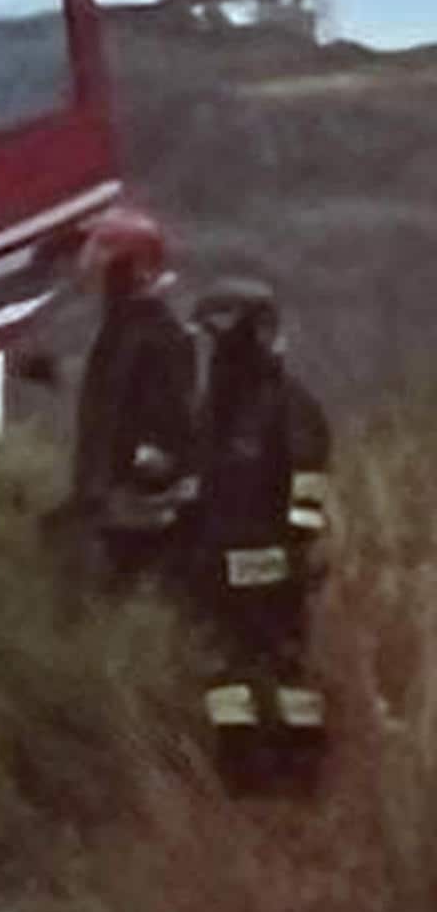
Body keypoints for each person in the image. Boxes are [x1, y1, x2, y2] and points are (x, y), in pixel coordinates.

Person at [186, 278, 332, 787]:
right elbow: (200, 476)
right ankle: (240, 767)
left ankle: (300, 767)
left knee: (283, 660)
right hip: (220, 555)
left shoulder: (285, 404)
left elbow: (309, 476)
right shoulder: (216, 406)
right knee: (227, 665)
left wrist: (294, 546)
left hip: (271, 557)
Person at [66, 206, 197, 577]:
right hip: (118, 504)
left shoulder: (153, 335)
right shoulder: (127, 330)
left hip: (138, 515)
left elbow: (165, 423)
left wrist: (127, 482)